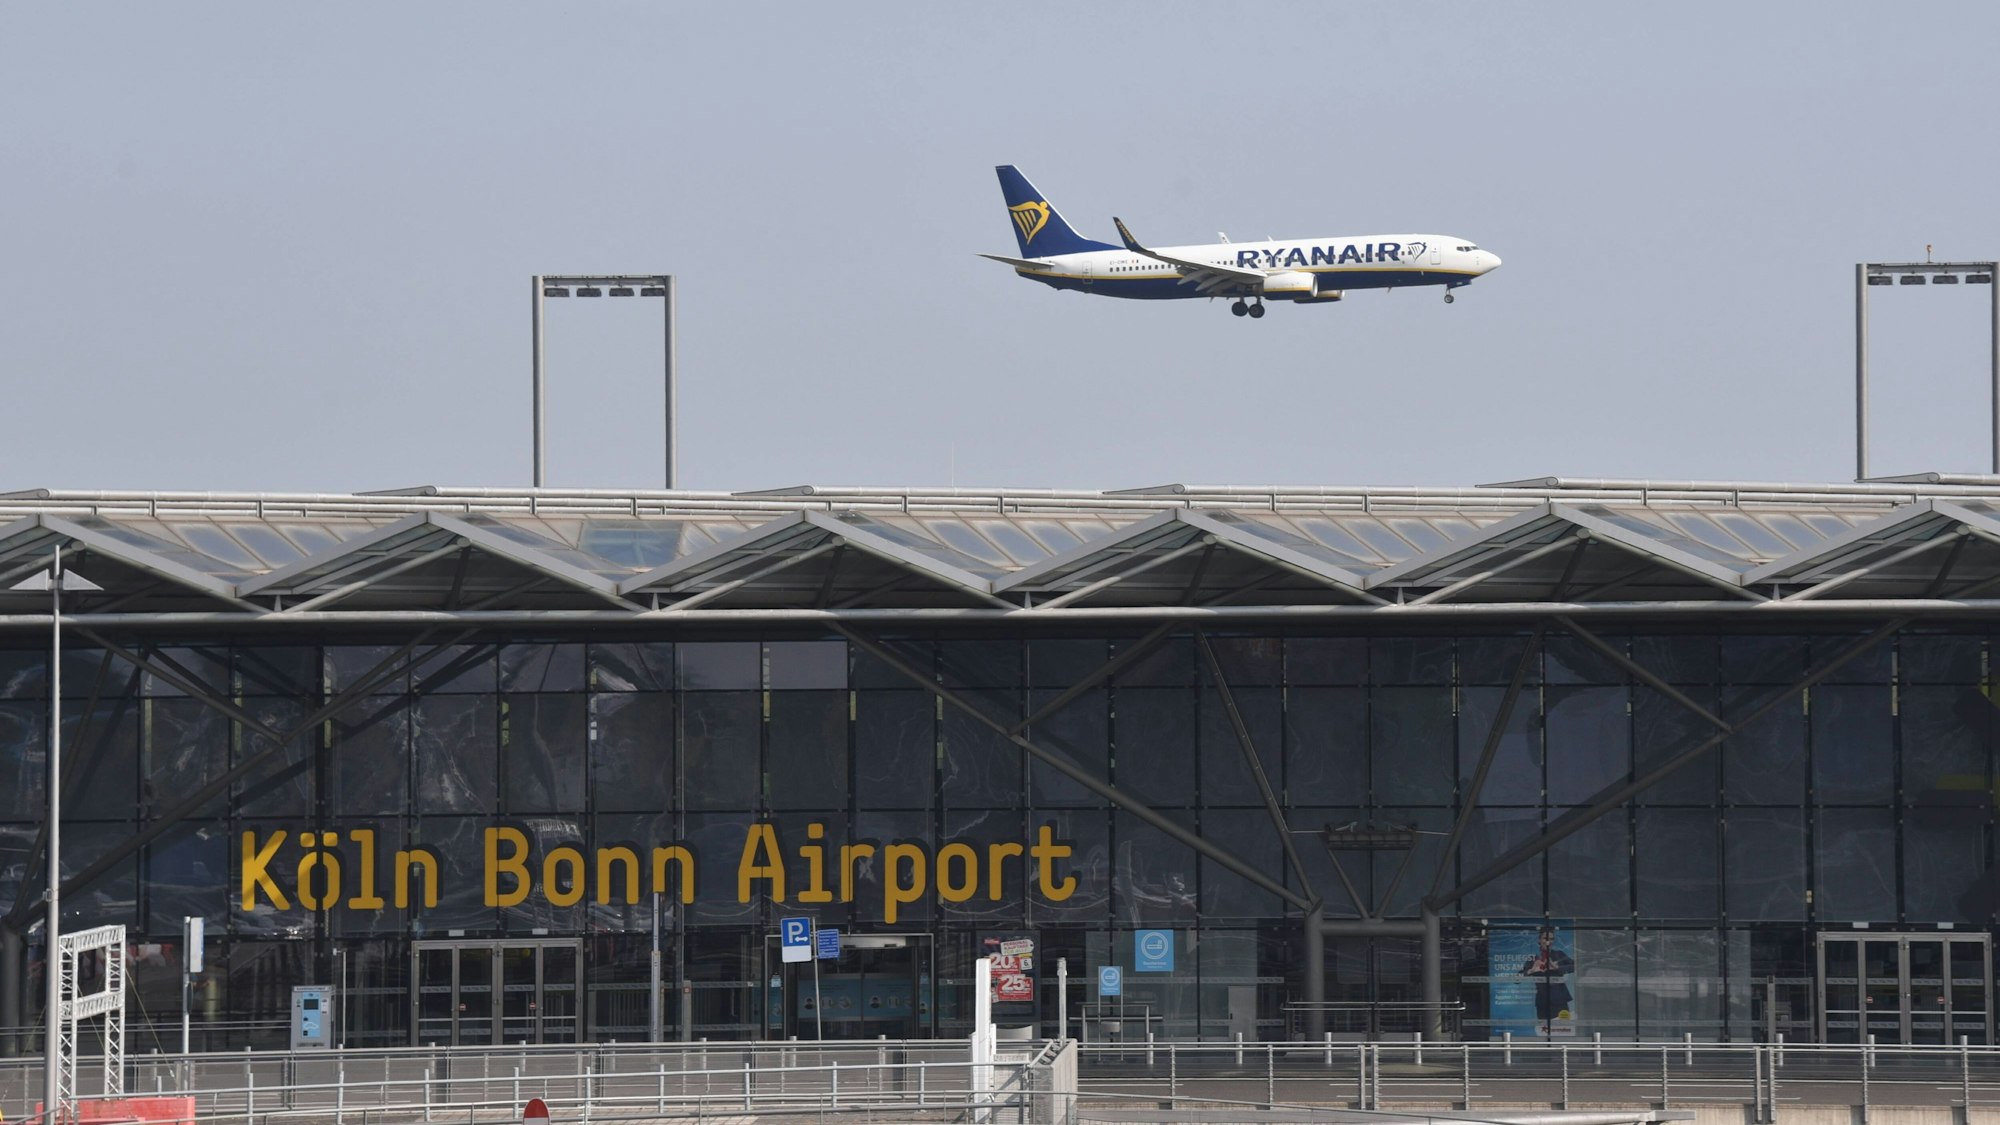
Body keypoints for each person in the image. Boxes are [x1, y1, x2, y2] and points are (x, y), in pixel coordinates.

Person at [1519, 925, 1574, 1024]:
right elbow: (1517, 979)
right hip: (1542, 1002)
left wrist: (1558, 968)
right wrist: (1531, 970)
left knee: (1563, 1029)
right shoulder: (1534, 958)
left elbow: (1575, 966)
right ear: (1539, 940)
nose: (1549, 942)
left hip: (1560, 1001)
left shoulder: (1559, 954)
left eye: (1552, 939)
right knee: (1543, 1030)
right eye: (1546, 938)